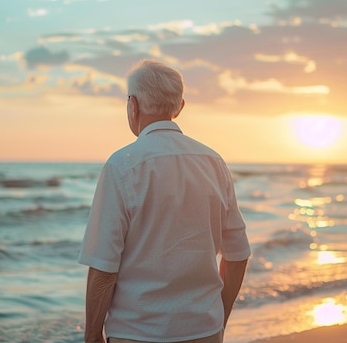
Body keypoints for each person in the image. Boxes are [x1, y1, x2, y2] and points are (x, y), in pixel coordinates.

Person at [78, 59, 251, 343]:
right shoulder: (213, 162)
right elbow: (237, 256)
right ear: (180, 107)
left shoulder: (122, 165)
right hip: (204, 330)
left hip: (136, 333)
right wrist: (219, 319)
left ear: (132, 105)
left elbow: (103, 267)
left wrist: (92, 334)